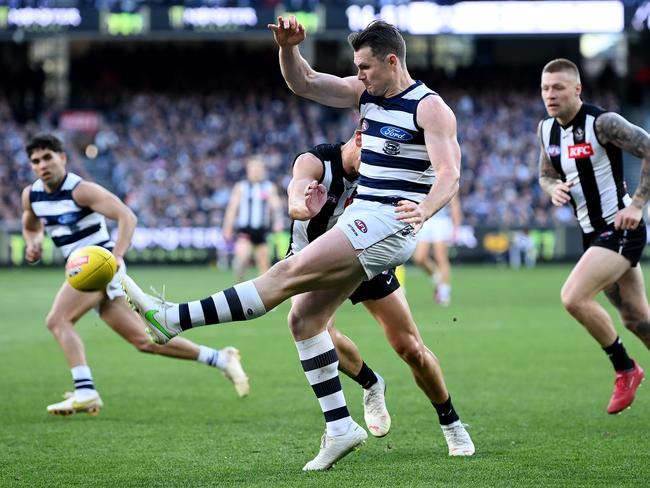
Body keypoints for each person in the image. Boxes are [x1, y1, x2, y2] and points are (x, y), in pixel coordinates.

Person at [122, 18, 463, 470]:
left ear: (391, 61)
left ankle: (173, 319)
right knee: (304, 320)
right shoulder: (363, 99)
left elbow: (450, 174)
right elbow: (304, 81)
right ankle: (341, 427)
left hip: (388, 223)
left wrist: (425, 209)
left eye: (364, 67)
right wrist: (287, 49)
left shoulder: (429, 107)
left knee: (287, 278)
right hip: (360, 223)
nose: (358, 75)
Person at [21, 134, 249, 416]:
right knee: (145, 341)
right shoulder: (32, 195)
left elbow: (127, 216)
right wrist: (33, 243)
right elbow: (30, 224)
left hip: (99, 268)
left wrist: (115, 256)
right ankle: (220, 358)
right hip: (84, 271)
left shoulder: (81, 190)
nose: (42, 165)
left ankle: (85, 391)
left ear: (62, 158)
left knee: (57, 320)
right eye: (35, 161)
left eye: (48, 158)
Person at [286, 129, 474, 446]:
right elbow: (295, 196)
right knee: (315, 332)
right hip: (311, 259)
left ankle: (452, 423)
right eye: (372, 158)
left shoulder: (381, 173)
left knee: (410, 347)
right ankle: (371, 383)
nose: (377, 166)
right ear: (359, 139)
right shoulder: (316, 161)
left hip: (364, 258)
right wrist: (304, 207)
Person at [537, 58, 649, 414]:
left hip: (620, 228)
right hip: (592, 234)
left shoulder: (603, 124)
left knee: (572, 297)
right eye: (545, 88)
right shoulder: (546, 131)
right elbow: (545, 173)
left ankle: (625, 368)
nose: (550, 95)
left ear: (577, 89)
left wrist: (637, 205)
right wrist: (553, 187)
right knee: (637, 320)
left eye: (558, 88)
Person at [222, 156, 284, 282]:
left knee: (264, 265)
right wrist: (227, 227)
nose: (255, 171)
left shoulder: (269, 187)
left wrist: (278, 221)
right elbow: (232, 208)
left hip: (262, 231)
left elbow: (276, 206)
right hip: (245, 230)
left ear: (263, 170)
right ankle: (238, 288)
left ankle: (262, 297)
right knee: (242, 259)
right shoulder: (241, 187)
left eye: (258, 168)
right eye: (253, 168)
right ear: (248, 170)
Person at [412, 194, 462, 305]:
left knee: (441, 257)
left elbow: (454, 203)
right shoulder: (424, 177)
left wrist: (456, 227)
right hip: (426, 219)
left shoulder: (446, 176)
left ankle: (444, 292)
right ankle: (438, 280)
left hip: (441, 221)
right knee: (419, 258)